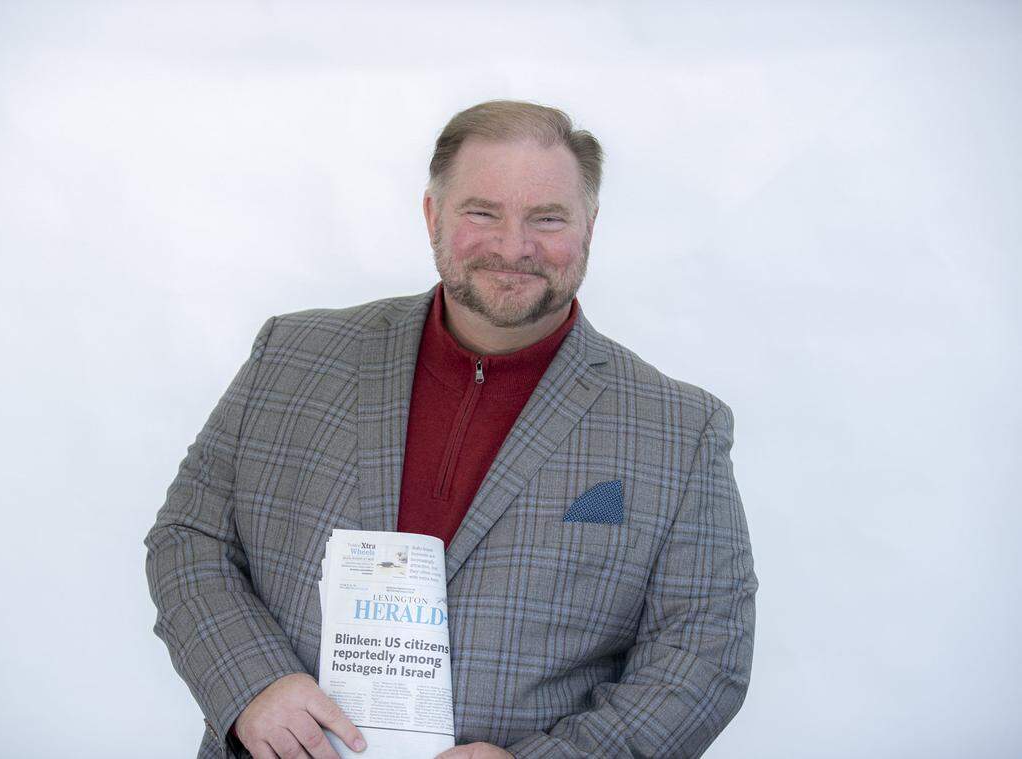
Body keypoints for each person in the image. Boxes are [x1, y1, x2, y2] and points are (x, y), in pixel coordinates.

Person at [145, 100, 757, 759]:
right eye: (483, 213)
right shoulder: (292, 354)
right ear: (433, 215)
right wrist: (251, 683)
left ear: (590, 225)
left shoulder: (679, 430)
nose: (513, 246)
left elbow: (703, 653)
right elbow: (190, 537)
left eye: (547, 218)